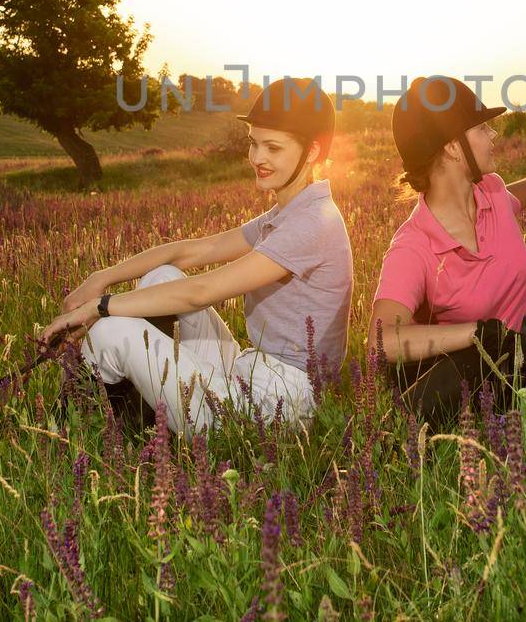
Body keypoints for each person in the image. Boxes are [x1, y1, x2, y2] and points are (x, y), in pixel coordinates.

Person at [39, 77, 353, 434]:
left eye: (274, 148)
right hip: (249, 371)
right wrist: (103, 277)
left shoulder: (312, 223)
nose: (257, 158)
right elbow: (197, 250)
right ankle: (133, 413)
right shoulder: (290, 212)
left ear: (312, 151)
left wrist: (98, 307)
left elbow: (201, 292)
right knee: (163, 276)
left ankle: (76, 432)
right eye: (254, 144)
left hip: (279, 404)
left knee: (112, 332)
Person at [369, 75, 526, 422]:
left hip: (510, 372)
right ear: (451, 146)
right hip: (454, 388)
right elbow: (380, 342)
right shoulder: (413, 247)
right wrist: (475, 334)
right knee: (473, 366)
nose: (493, 136)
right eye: (482, 129)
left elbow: (515, 200)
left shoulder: (491, 192)